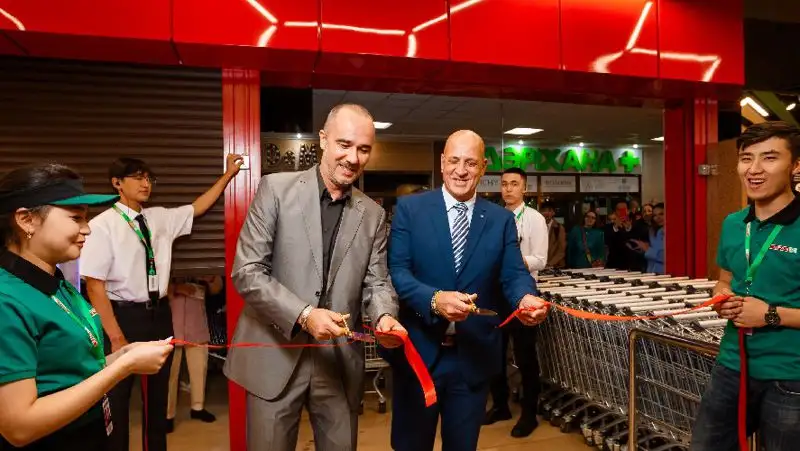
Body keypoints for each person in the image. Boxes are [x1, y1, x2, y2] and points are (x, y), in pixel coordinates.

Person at [223, 104, 405, 451]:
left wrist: (384, 316)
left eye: (363, 149)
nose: (353, 158)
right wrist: (304, 315)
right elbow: (247, 271)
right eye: (344, 144)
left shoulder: (373, 214)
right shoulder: (275, 189)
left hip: (337, 363)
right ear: (323, 139)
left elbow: (377, 282)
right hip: (273, 356)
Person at [388, 130, 549, 451]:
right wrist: (433, 300)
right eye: (454, 161)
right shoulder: (410, 209)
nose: (461, 171)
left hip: (472, 359)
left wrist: (525, 297)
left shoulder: (500, 220)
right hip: (419, 355)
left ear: (483, 167)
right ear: (442, 163)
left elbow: (514, 274)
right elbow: (398, 272)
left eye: (471, 163)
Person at [0, 164, 173, 450]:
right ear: (26, 220)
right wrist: (123, 367)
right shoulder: (7, 300)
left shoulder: (55, 281)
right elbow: (19, 426)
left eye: (86, 218)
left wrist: (122, 356)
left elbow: (70, 372)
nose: (87, 229)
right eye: (75, 218)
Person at [80, 153, 243, 451]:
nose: (145, 183)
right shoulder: (102, 226)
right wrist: (116, 337)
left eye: (148, 178)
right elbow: (94, 286)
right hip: (122, 316)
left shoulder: (159, 218)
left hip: (159, 314)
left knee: (158, 397)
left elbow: (198, 207)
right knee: (118, 397)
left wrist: (228, 175)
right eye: (137, 177)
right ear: (117, 183)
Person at [690, 121, 800, 451]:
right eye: (746, 158)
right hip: (732, 365)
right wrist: (722, 297)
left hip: (790, 375)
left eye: (769, 158)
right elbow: (724, 280)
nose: (754, 169)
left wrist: (770, 314)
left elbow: (767, 313)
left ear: (795, 165)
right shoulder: (734, 223)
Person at [484, 167, 548, 437]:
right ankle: (500, 405)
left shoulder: (534, 219)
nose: (508, 189)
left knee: (525, 355)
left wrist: (512, 260)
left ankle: (529, 413)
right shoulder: (494, 217)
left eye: (514, 184)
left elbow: (540, 260)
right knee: (494, 352)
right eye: (504, 184)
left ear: (524, 188)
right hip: (494, 293)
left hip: (523, 294)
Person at [165, 277, 216, 433]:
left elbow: (217, 288)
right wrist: (176, 287)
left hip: (197, 319)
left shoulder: (200, 265)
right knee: (170, 373)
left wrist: (208, 280)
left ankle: (197, 408)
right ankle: (168, 415)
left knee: (199, 367)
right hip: (171, 322)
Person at [630, 203, 664, 274]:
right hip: (651, 273)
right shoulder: (651, 231)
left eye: (661, 214)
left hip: (664, 274)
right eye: (655, 215)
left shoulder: (673, 233)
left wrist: (648, 250)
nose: (658, 217)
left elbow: (669, 257)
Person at [540, 201, 566, 268]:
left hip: (555, 266)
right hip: (540, 265)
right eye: (544, 210)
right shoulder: (536, 227)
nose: (546, 213)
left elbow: (561, 250)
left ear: (553, 213)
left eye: (549, 210)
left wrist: (549, 264)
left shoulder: (559, 228)